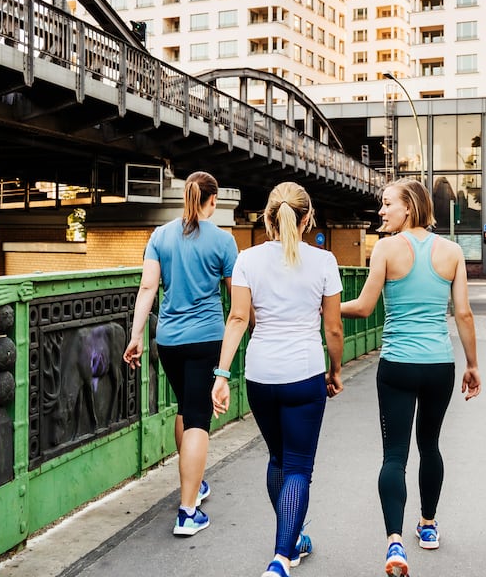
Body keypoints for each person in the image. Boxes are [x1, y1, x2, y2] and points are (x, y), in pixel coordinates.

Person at [340, 178, 482, 577]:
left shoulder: (386, 249)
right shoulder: (452, 251)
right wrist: (472, 364)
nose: (381, 211)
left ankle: (394, 542)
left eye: (387, 204)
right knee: (431, 444)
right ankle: (429, 525)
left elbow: (365, 307)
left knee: (394, 455)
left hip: (398, 364)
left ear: (410, 207)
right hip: (440, 365)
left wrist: (326, 304)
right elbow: (464, 315)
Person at [211, 182, 345, 577]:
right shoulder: (324, 261)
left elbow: (237, 319)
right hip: (304, 374)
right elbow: (333, 329)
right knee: (300, 468)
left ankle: (293, 539)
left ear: (268, 218)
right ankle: (281, 558)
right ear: (308, 219)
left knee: (277, 460)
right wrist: (335, 370)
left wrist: (221, 375)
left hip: (260, 375)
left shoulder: (247, 259)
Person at [124, 171, 238, 537]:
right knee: (199, 420)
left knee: (186, 409)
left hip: (168, 341)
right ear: (213, 199)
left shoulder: (160, 235)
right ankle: (188, 511)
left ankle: (194, 484)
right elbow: (237, 300)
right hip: (206, 339)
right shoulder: (223, 241)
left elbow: (147, 288)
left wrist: (136, 334)